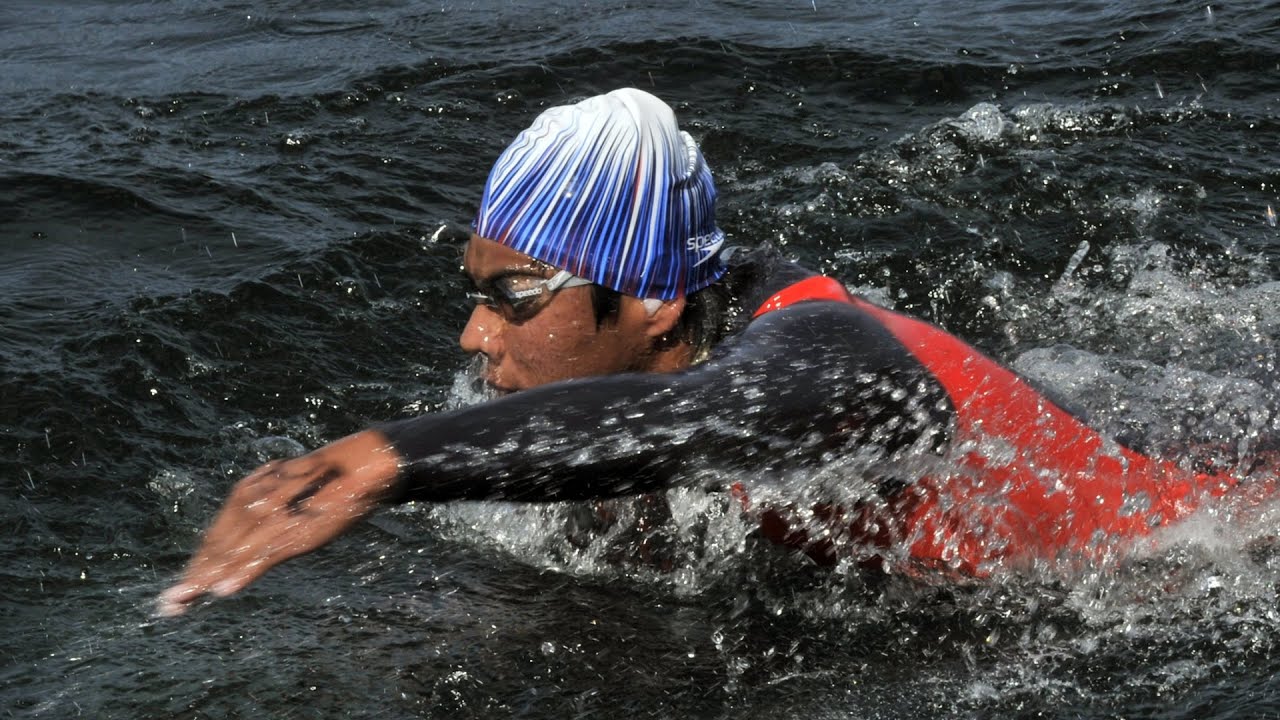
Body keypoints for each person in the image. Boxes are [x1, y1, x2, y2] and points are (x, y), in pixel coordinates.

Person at [157, 88, 1268, 618]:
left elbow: (702, 424)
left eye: (514, 298)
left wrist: (387, 461)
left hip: (1202, 549)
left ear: (647, 303)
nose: (473, 335)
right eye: (473, 296)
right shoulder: (668, 351)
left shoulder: (827, 359)